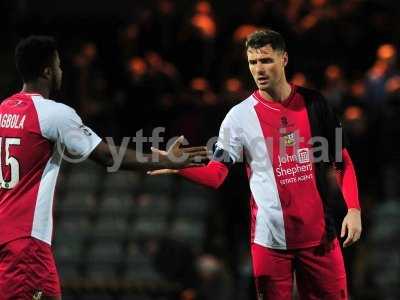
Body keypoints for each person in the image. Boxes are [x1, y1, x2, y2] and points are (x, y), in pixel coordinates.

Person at [149, 29, 362, 299]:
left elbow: (341, 161)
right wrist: (180, 167)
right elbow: (217, 175)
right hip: (269, 242)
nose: (258, 69)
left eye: (266, 60)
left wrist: (353, 209)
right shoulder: (237, 117)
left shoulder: (315, 103)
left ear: (284, 59)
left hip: (320, 238)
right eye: (253, 62)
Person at [0, 35, 207, 300]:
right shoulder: (53, 113)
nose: (62, 71)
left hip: (6, 236)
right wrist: (165, 160)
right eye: (59, 66)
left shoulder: (5, 108)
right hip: (26, 243)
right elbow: (107, 157)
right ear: (47, 71)